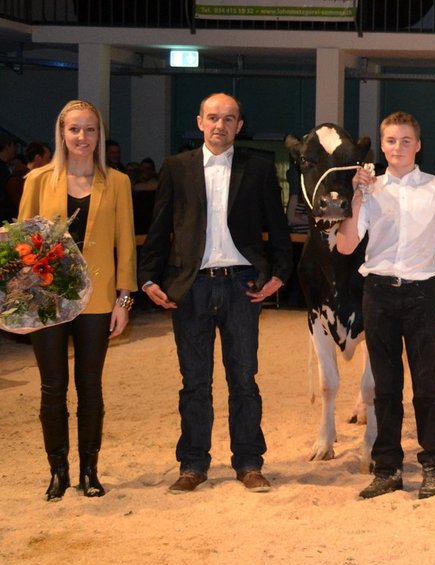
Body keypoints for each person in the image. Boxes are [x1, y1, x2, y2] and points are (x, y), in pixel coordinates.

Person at [139, 92, 294, 494]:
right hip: (191, 287)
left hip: (242, 285)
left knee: (244, 378)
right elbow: (159, 228)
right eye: (212, 117)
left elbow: (277, 229)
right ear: (199, 121)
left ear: (239, 126)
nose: (219, 125)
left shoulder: (258, 169)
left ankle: (248, 463)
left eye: (229, 119)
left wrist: (280, 273)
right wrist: (148, 278)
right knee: (195, 382)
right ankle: (193, 464)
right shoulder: (176, 167)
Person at [340, 112, 435, 500]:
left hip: (422, 294)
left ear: (419, 145)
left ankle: (433, 466)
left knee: (428, 386)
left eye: (406, 140)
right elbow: (346, 245)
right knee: (386, 387)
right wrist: (356, 196)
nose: (398, 147)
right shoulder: (370, 189)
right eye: (391, 141)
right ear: (382, 145)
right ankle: (388, 468)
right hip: (377, 293)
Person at [20, 101, 138, 500]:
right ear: (62, 133)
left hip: (99, 300)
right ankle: (58, 471)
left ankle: (90, 469)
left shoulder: (117, 182)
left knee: (90, 387)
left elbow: (126, 245)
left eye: (90, 130)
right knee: (53, 388)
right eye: (75, 130)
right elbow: (21, 243)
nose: (82, 138)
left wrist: (125, 302)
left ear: (99, 135)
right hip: (47, 300)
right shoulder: (36, 180)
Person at [6, 141, 53, 220]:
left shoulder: (17, 179)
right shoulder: (16, 181)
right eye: (48, 159)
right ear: (38, 158)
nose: (50, 164)